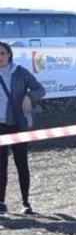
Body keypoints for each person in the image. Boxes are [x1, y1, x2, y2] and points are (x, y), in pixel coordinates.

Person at [0, 41, 45, 215]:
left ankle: (26, 203)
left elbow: (40, 89)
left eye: (3, 53)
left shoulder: (20, 72)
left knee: (21, 163)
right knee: (0, 165)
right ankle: (1, 203)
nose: (0, 57)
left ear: (9, 55)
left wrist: (28, 96)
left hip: (18, 124)